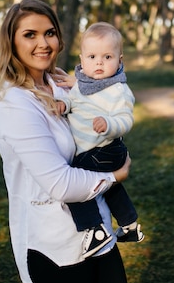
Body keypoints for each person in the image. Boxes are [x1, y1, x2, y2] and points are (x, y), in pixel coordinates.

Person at [0, 0, 131, 283]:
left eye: (49, 33)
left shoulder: (58, 84)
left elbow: (102, 118)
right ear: (11, 42)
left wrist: (79, 87)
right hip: (57, 248)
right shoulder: (14, 103)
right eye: (30, 35)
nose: (43, 43)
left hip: (99, 232)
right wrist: (115, 176)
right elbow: (60, 184)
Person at [56, 22, 144, 259]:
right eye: (92, 56)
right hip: (97, 150)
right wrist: (64, 105)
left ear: (119, 60)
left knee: (76, 183)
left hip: (105, 147)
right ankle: (130, 224)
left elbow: (126, 119)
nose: (99, 63)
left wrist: (109, 124)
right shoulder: (83, 84)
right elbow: (75, 101)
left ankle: (95, 230)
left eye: (107, 56)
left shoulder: (118, 90)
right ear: (82, 59)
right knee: (110, 186)